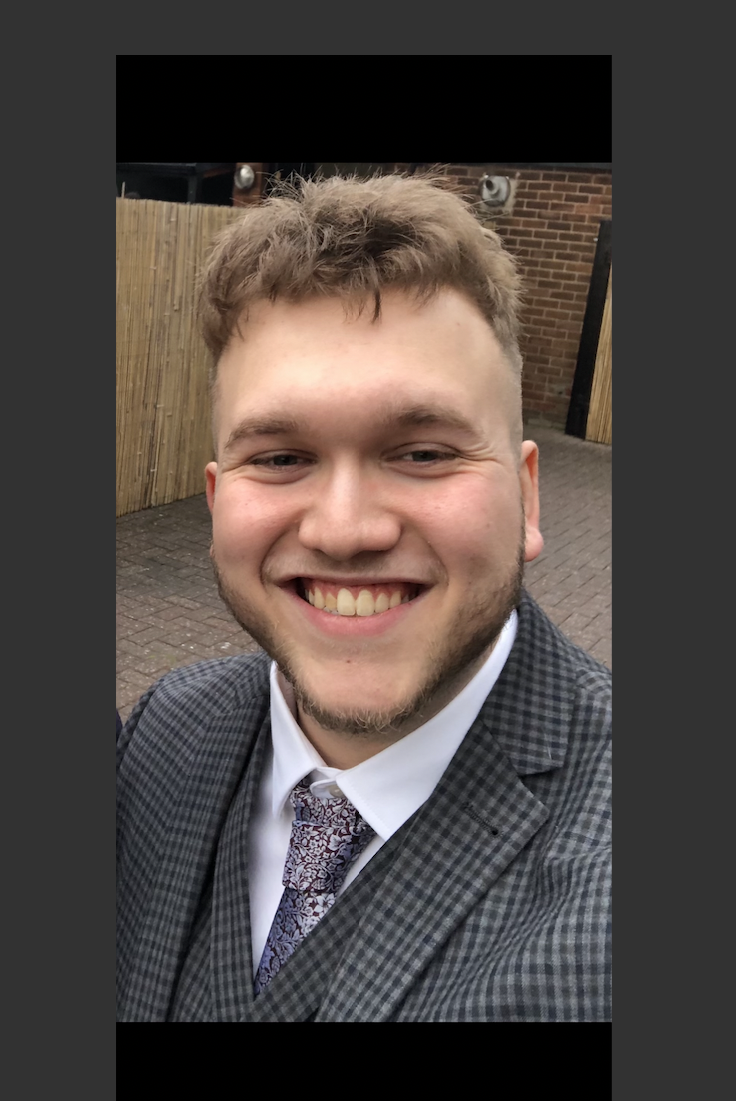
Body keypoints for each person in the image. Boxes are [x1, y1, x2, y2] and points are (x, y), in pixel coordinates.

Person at [117, 172, 611, 1022]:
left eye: (423, 453)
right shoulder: (165, 729)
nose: (345, 530)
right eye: (280, 458)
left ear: (528, 497)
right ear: (218, 501)